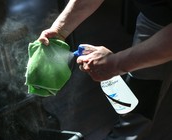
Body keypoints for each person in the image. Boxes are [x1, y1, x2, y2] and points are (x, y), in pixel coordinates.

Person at [38, 0, 172, 139]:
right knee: (140, 97)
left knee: (143, 101)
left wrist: (117, 63)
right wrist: (60, 29)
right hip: (155, 15)